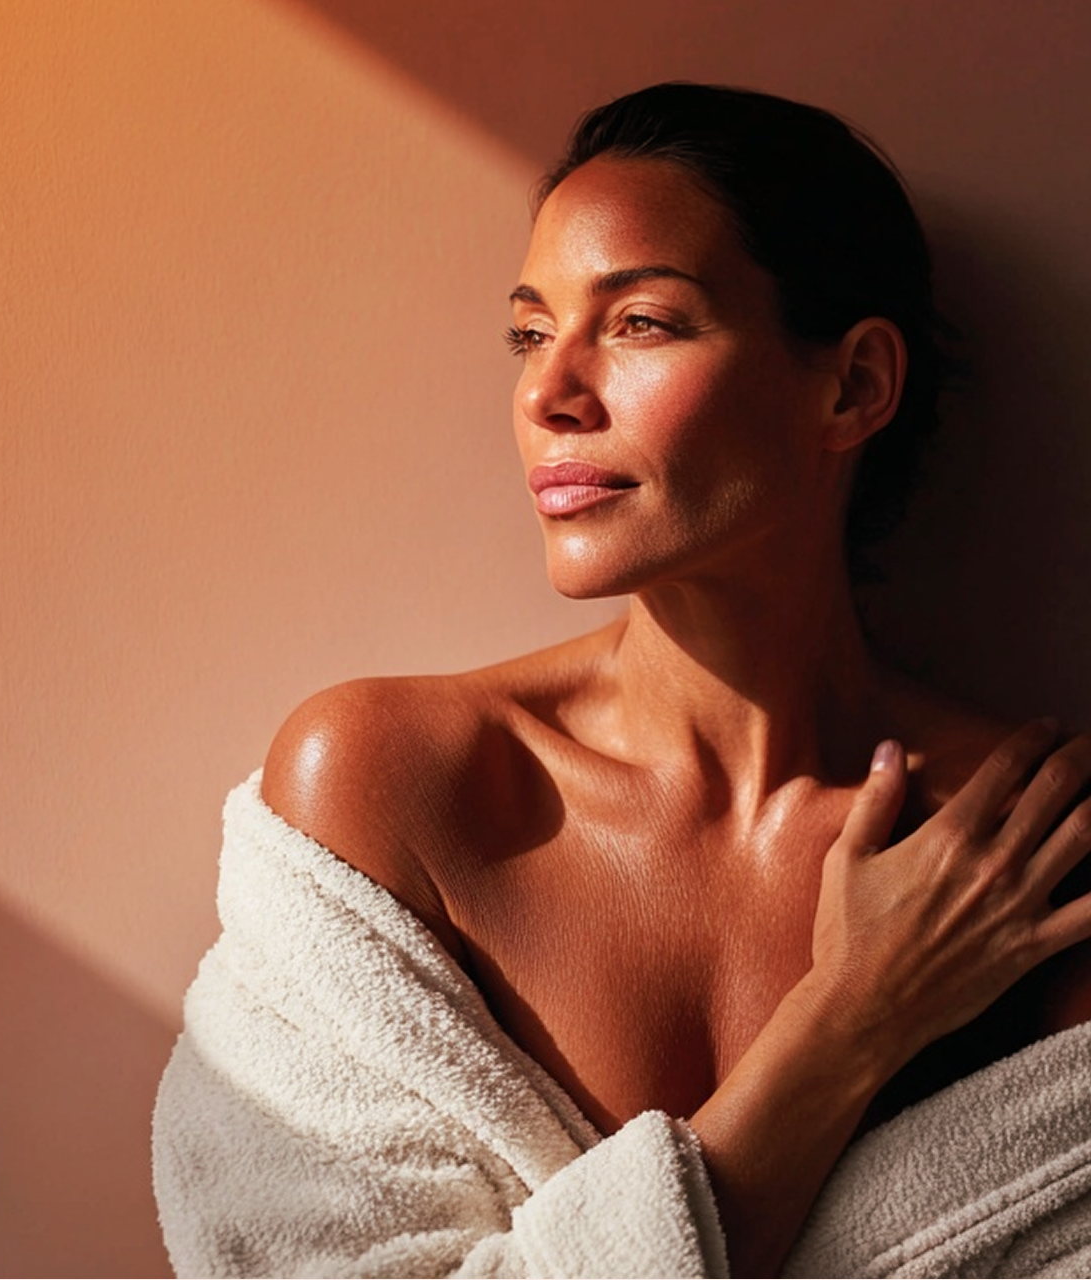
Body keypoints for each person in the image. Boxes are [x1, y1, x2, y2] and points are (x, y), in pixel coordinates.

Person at [154, 84, 1091, 1279]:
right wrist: (853, 1015)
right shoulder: (395, 789)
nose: (549, 393)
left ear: (853, 385)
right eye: (531, 331)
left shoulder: (1022, 849)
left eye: (641, 322)